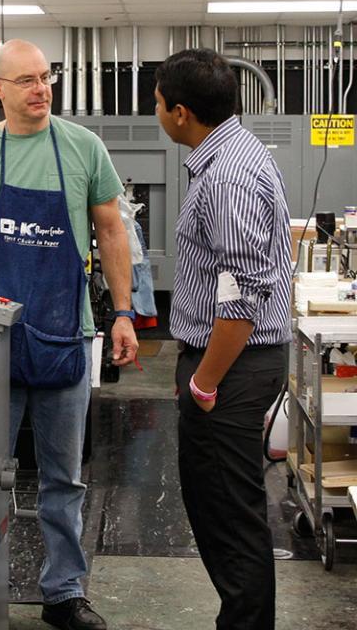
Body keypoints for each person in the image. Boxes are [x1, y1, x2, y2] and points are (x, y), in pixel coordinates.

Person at [0, 39, 138, 630]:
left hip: (65, 335)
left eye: (47, 77)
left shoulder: (83, 147)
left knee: (66, 477)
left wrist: (122, 312)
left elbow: (111, 233)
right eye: (28, 80)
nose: (42, 89)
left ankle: (63, 593)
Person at [155, 49, 291, 630]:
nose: (157, 112)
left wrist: (204, 383)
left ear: (181, 112)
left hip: (232, 367)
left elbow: (241, 300)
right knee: (224, 509)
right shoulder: (236, 153)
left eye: (158, 103)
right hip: (237, 362)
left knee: (228, 517)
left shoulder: (227, 177)